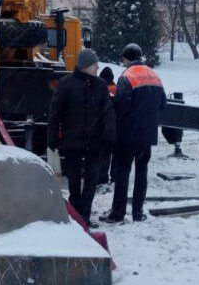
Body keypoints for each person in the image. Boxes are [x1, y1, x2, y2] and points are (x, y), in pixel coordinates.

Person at [48, 49, 115, 227]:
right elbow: (55, 113)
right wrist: (52, 138)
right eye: (95, 65)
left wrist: (109, 136)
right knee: (74, 180)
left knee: (92, 179)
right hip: (72, 142)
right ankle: (76, 213)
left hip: (94, 143)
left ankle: (83, 215)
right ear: (86, 66)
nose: (97, 67)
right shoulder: (66, 84)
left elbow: (108, 112)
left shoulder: (100, 85)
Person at [101, 43, 166, 223]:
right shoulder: (154, 76)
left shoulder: (127, 76)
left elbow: (121, 106)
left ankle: (118, 213)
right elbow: (163, 104)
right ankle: (138, 212)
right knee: (141, 172)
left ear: (127, 59)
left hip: (128, 134)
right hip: (148, 135)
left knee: (122, 172)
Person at [97, 66, 116, 184]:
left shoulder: (99, 90)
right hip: (115, 128)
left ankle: (101, 178)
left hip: (101, 128)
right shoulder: (118, 89)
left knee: (103, 155)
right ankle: (114, 177)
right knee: (115, 155)